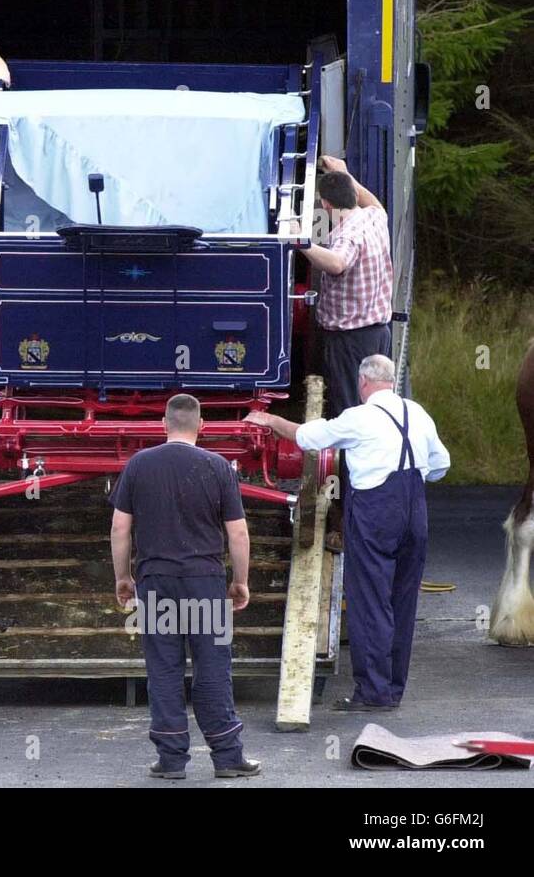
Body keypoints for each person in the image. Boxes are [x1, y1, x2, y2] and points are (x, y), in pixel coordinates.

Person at [245, 355, 449, 711]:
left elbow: (309, 437)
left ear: (363, 382)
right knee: (402, 601)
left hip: (376, 512)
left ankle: (372, 692)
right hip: (415, 511)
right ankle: (393, 688)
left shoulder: (358, 417)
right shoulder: (417, 413)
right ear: (391, 382)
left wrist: (271, 419)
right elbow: (441, 466)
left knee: (369, 600)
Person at [110, 394, 260, 779]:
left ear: (164, 424)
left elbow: (120, 528)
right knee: (212, 667)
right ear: (201, 426)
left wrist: (123, 577)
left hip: (156, 583)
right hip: (204, 582)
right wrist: (240, 581)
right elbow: (238, 532)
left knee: (163, 667)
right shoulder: (218, 467)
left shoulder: (139, 465)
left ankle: (172, 760)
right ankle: (227, 756)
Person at [302, 155, 394, 547]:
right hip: (378, 335)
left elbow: (337, 264)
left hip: (349, 343)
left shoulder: (346, 235)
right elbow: (375, 203)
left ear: (325, 205)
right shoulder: (372, 218)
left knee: (351, 426)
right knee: (378, 421)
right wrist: (345, 173)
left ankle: (345, 521)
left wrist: (301, 244)